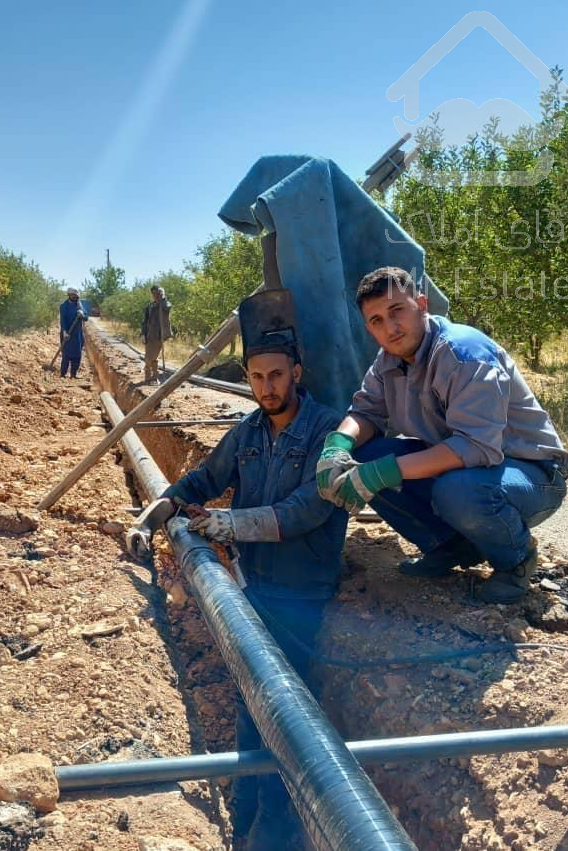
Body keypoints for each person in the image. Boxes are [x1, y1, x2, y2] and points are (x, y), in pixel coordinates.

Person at [127, 290, 348, 850]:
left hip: (302, 592)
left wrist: (231, 526)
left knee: (282, 713)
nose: (267, 387)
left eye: (276, 375)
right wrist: (157, 512)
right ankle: (247, 810)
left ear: (296, 372)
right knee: (257, 706)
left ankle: (275, 828)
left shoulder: (328, 432)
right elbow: (202, 480)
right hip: (256, 588)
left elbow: (307, 510)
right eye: (256, 377)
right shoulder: (249, 431)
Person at [317, 266, 568, 605]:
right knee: (363, 455)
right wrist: (337, 446)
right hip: (463, 465)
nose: (391, 328)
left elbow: (474, 446)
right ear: (369, 328)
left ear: (421, 305)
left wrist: (381, 473)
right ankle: (450, 546)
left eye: (397, 311)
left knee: (459, 490)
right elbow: (365, 413)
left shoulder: (463, 354)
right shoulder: (388, 360)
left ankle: (515, 559)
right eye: (377, 320)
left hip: (530, 472)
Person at [141, 285, 172, 384]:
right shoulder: (150, 306)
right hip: (149, 335)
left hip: (159, 336)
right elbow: (144, 321)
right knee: (149, 357)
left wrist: (163, 297)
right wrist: (143, 334)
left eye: (157, 293)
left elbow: (167, 308)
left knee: (152, 357)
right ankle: (151, 376)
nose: (155, 296)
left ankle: (153, 376)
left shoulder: (164, 304)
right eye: (153, 294)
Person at [59, 287, 88, 378]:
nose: (75, 297)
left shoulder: (80, 305)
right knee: (66, 355)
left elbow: (86, 318)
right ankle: (63, 374)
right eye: (73, 295)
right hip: (67, 334)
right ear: (69, 295)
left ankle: (73, 374)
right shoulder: (64, 306)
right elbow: (63, 320)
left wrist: (82, 315)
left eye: (76, 296)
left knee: (77, 355)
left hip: (78, 335)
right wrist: (64, 332)